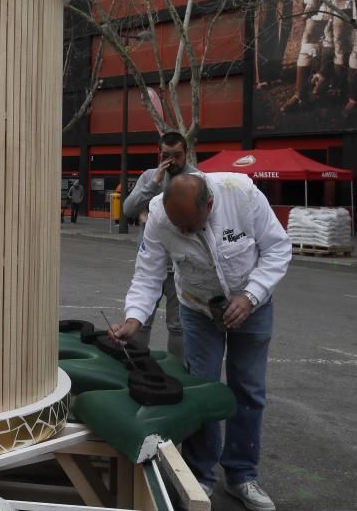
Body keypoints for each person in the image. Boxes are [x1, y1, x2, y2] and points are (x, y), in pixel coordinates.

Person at [110, 173, 291, 511]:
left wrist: (251, 296)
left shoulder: (243, 194)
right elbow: (148, 273)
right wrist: (134, 318)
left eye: (190, 226)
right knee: (201, 391)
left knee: (248, 391)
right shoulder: (160, 218)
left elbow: (277, 248)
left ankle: (242, 476)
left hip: (252, 305)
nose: (183, 233)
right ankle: (200, 476)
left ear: (209, 204)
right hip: (197, 307)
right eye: (177, 227)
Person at [120, 132, 196, 359]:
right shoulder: (150, 177)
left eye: (178, 155)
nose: (172, 160)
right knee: (140, 321)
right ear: (159, 154)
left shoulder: (197, 178)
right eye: (166, 155)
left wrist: (152, 213)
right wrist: (154, 184)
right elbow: (128, 210)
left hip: (181, 265)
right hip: (150, 261)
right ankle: (137, 367)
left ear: (186, 153)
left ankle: (178, 372)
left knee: (178, 325)